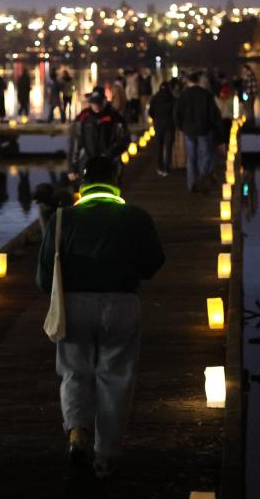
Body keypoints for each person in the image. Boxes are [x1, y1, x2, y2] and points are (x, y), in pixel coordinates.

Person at [36, 155, 165, 478]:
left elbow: (42, 279)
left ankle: (77, 430)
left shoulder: (62, 219)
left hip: (74, 305)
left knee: (74, 372)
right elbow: (152, 266)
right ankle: (105, 455)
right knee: (115, 377)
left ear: (82, 181)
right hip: (121, 304)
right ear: (116, 179)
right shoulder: (136, 217)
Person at [173, 70, 222, 192]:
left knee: (191, 158)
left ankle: (191, 183)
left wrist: (181, 127)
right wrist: (215, 127)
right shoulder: (206, 94)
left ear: (188, 81)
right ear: (198, 81)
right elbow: (214, 113)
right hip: (204, 129)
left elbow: (176, 113)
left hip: (188, 130)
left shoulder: (183, 95)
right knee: (205, 155)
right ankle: (202, 175)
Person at [68, 88, 130, 182]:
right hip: (88, 164)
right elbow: (75, 144)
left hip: (110, 164)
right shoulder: (82, 118)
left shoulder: (116, 118)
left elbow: (124, 139)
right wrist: (72, 169)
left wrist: (108, 154)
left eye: (99, 102)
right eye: (93, 103)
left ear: (104, 101)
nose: (96, 105)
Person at [147, 77, 178, 176]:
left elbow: (150, 112)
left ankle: (159, 167)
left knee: (159, 147)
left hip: (158, 125)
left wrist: (156, 118)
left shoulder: (155, 98)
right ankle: (166, 168)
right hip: (170, 126)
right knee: (168, 148)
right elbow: (176, 112)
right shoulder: (173, 99)